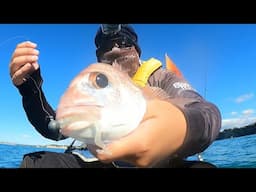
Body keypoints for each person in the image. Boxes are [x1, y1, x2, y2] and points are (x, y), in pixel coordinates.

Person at [9, 24, 221, 168]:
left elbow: (205, 111)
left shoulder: (162, 77)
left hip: (163, 164)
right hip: (105, 163)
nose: (114, 50)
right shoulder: (92, 86)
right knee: (36, 163)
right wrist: (30, 87)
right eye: (104, 48)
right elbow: (53, 129)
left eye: (122, 43)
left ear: (137, 50)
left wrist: (181, 126)